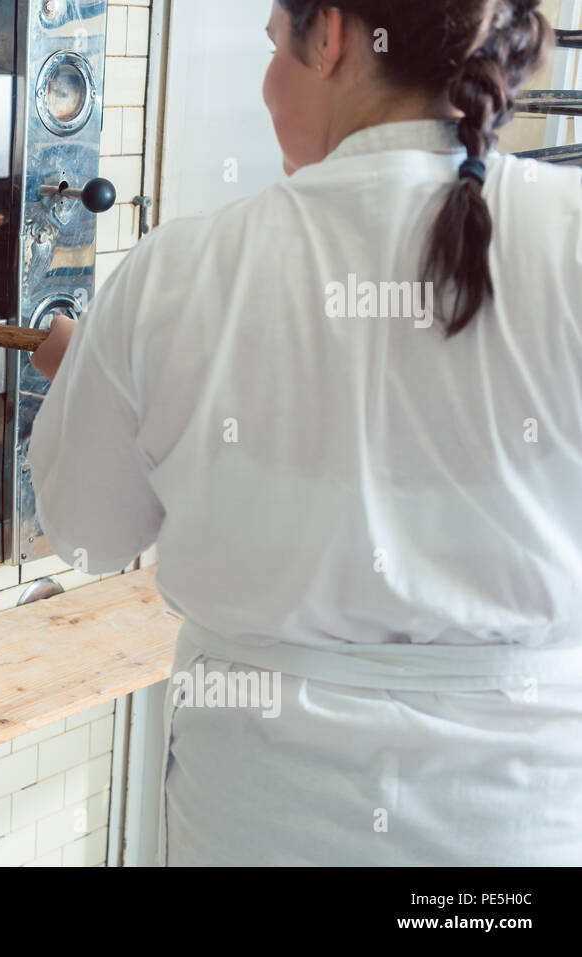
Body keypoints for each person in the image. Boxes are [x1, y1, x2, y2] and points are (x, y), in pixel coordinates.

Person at [28, 0, 581, 865]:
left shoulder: (182, 270)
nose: (266, 82)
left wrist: (95, 369)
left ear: (328, 37)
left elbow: (88, 531)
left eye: (273, 47)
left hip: (256, 822)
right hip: (518, 832)